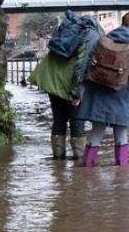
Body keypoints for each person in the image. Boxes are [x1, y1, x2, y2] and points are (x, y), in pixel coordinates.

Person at [29, 13, 103, 160]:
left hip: (51, 77)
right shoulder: (93, 36)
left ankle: (58, 162)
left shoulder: (68, 29)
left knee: (59, 119)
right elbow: (82, 66)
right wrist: (77, 93)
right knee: (77, 122)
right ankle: (80, 164)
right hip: (68, 82)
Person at [76, 11, 129, 167]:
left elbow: (86, 66)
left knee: (96, 133)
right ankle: (121, 174)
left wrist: (80, 91)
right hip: (122, 94)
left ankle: (86, 170)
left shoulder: (102, 41)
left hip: (98, 92)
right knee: (121, 135)